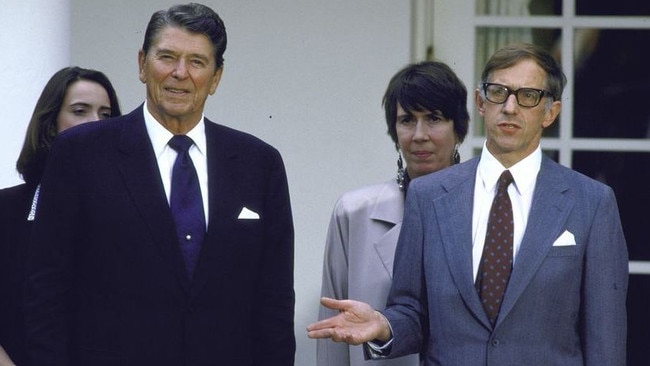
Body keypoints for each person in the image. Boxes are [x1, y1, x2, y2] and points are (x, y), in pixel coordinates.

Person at [307, 42, 629, 365]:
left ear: (550, 112)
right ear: (480, 102)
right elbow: (412, 311)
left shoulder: (591, 203)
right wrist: (384, 325)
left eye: (528, 96)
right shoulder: (429, 196)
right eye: (498, 92)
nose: (510, 107)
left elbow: (605, 341)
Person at [23, 3, 295, 366]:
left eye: (197, 62)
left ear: (216, 78)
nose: (180, 73)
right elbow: (46, 291)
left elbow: (274, 301)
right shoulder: (80, 154)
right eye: (167, 56)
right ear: (142, 64)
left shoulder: (259, 163)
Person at [317, 61, 469, 366]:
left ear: (459, 128)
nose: (419, 135)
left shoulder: (488, 212)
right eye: (407, 120)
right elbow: (333, 332)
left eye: (434, 118)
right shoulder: (354, 213)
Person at [0, 66, 121, 366]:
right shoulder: (6, 209)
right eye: (80, 111)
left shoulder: (130, 211)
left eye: (106, 115)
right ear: (50, 124)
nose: (96, 124)